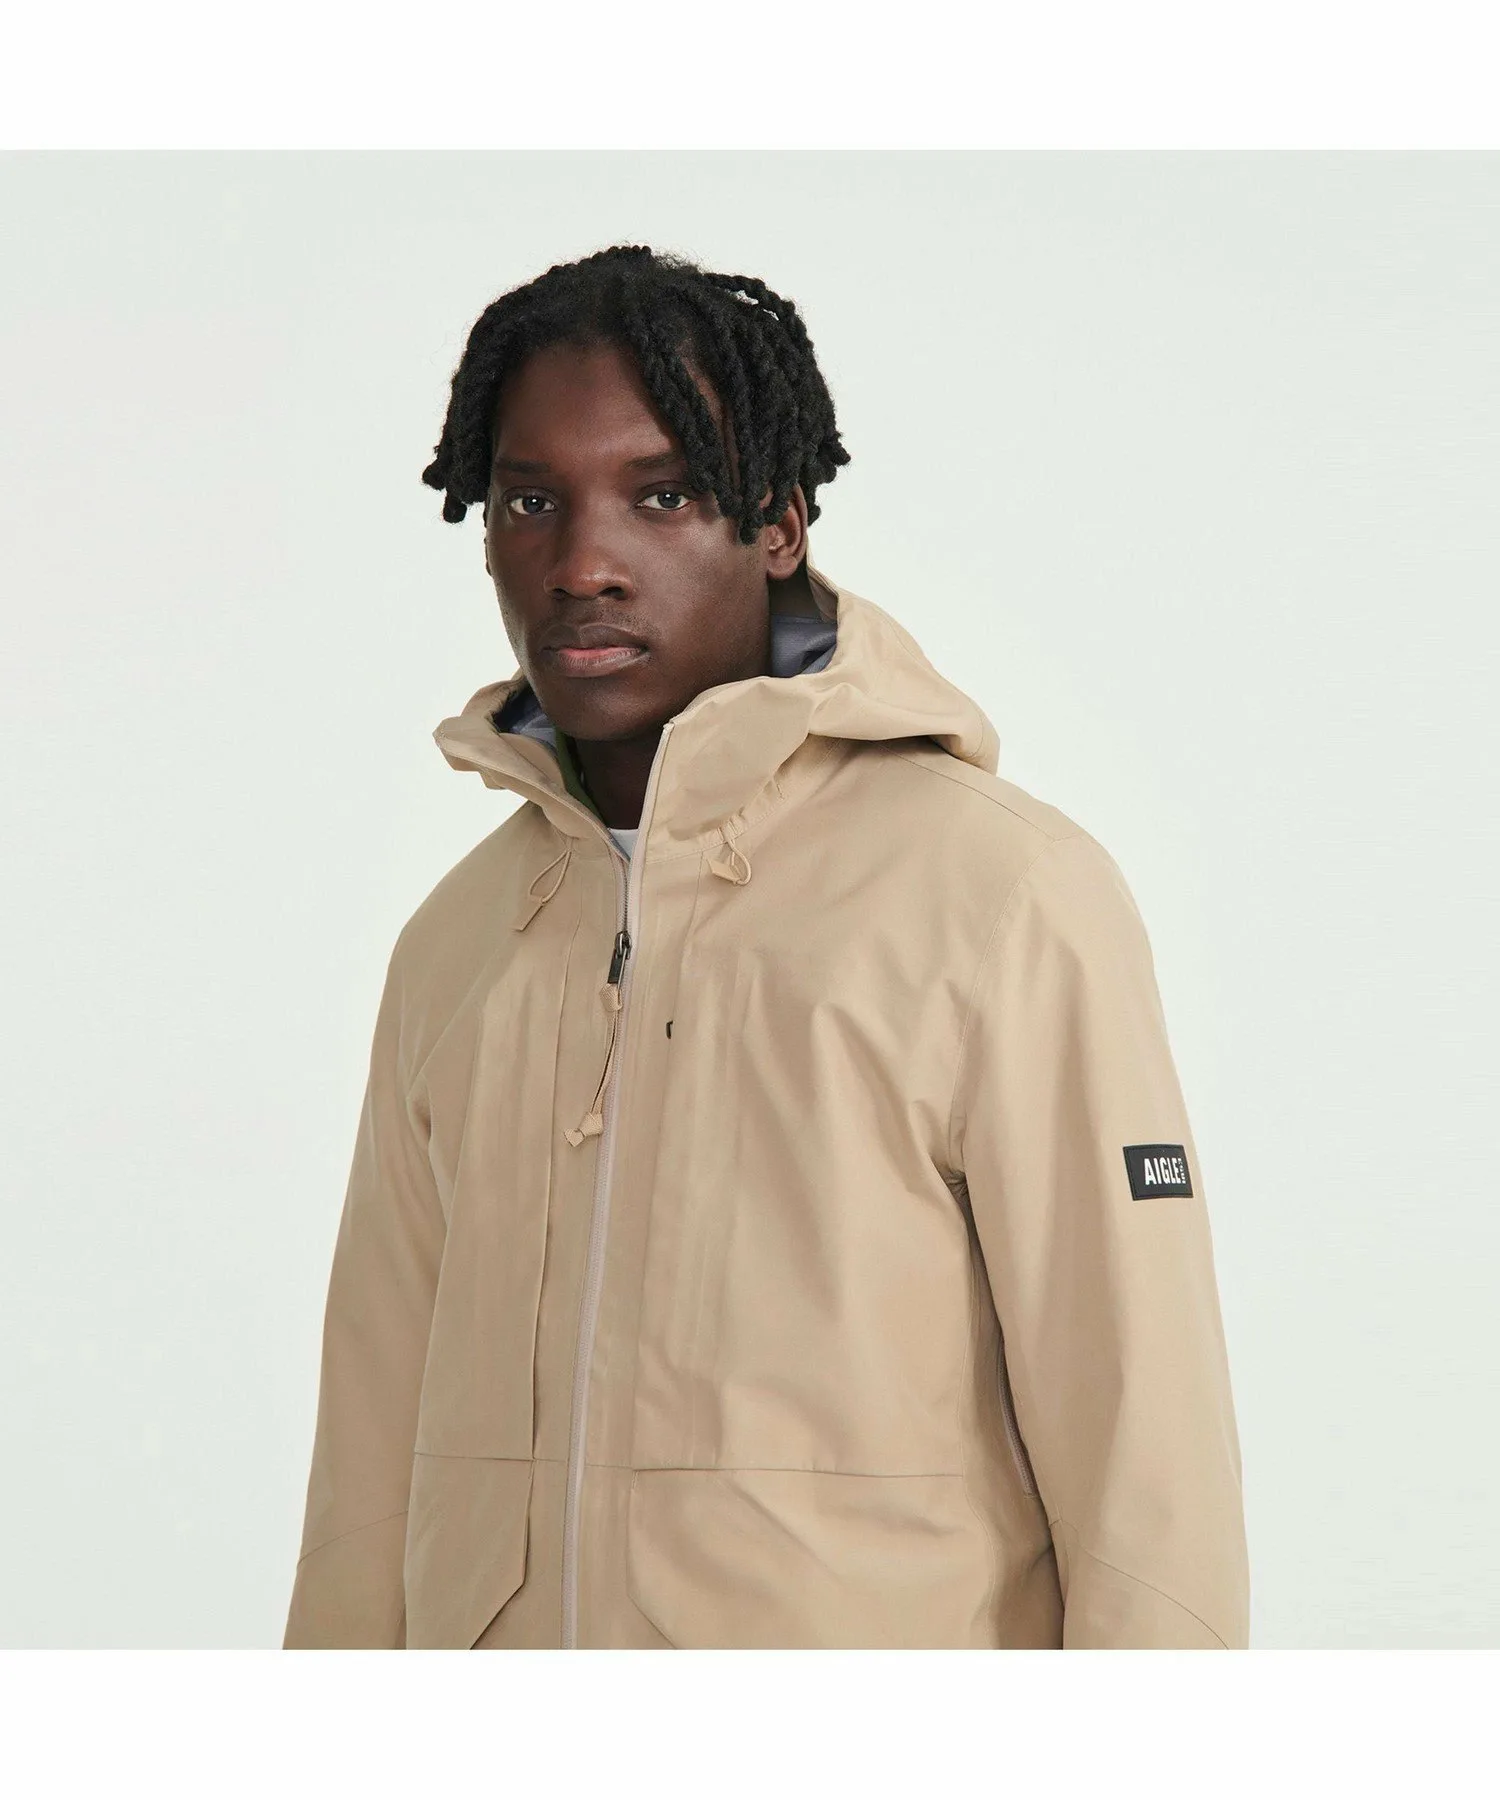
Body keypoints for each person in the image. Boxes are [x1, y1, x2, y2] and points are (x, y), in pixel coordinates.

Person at [282, 244, 1249, 1650]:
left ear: (780, 524)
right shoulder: (458, 946)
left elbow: (1149, 1467)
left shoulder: (1001, 896)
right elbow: (367, 1467)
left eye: (663, 494)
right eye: (531, 501)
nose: (584, 564)